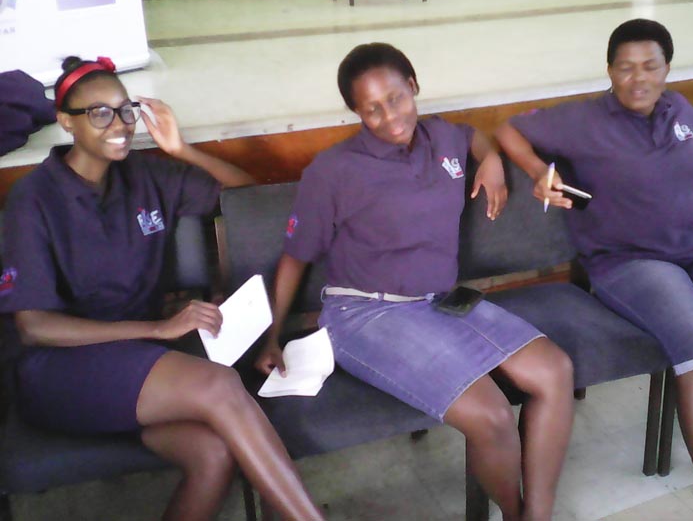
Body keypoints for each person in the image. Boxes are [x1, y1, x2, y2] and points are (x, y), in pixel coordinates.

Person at [254, 42, 575, 521]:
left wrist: (489, 157)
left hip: (439, 301)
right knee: (491, 417)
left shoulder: (442, 137)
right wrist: (272, 335)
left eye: (396, 98)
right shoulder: (334, 171)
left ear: (413, 86)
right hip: (365, 312)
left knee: (555, 371)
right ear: (356, 112)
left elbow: (473, 136)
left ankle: (538, 516)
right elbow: (294, 258)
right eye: (372, 109)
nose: (390, 117)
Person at [495, 19, 693, 520]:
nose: (638, 78)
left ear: (667, 69)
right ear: (609, 70)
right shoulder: (582, 120)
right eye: (625, 67)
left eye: (650, 66)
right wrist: (537, 171)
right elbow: (510, 129)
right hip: (628, 260)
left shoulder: (677, 109)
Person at [0, 57, 325, 521]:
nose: (119, 124)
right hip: (58, 371)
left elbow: (248, 197)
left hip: (138, 362)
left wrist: (182, 150)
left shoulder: (144, 175)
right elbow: (34, 327)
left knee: (212, 454)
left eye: (125, 110)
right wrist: (158, 328)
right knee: (218, 385)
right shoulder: (34, 199)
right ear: (66, 121)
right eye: (99, 113)